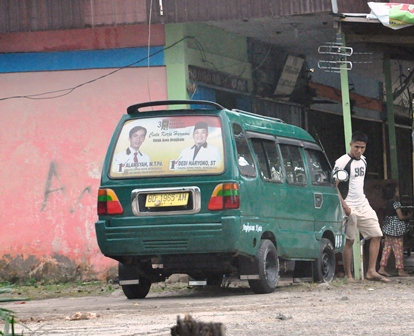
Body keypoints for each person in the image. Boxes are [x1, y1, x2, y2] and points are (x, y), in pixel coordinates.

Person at [333, 131, 389, 282]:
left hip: (363, 203)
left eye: (362, 147)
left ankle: (371, 271)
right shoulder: (342, 162)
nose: (359, 150)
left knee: (376, 234)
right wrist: (345, 206)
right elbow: (334, 185)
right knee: (349, 240)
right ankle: (348, 275)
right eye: (356, 147)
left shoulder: (364, 161)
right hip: (348, 205)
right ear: (351, 144)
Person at [378, 182, 412, 277]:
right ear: (393, 192)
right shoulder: (396, 203)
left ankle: (382, 268)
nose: (398, 192)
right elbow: (400, 217)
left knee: (386, 249)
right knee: (398, 249)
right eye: (397, 190)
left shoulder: (387, 203)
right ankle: (400, 269)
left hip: (388, 228)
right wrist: (408, 216)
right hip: (396, 230)